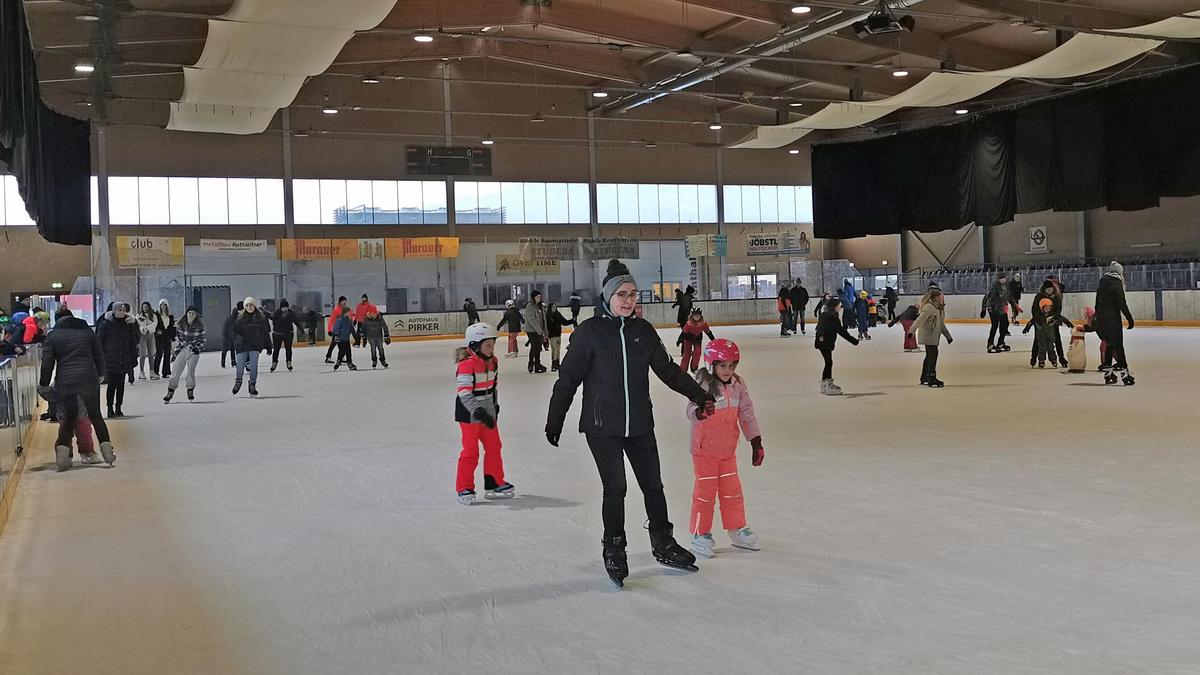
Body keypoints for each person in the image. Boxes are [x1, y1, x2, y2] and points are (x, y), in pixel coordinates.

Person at [545, 259, 716, 589]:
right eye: (621, 294)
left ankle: (663, 543)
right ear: (608, 297)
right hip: (602, 426)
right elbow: (567, 379)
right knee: (617, 488)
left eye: (633, 294)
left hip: (639, 423)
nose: (628, 300)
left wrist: (699, 395)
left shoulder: (643, 332)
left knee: (653, 485)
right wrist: (556, 419)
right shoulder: (589, 334)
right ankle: (615, 548)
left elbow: (668, 370)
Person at [686, 339, 764, 558]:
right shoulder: (703, 385)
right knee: (705, 494)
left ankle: (737, 528)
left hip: (727, 449)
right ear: (712, 365)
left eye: (731, 365)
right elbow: (690, 409)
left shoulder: (738, 385)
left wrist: (755, 441)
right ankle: (700, 533)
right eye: (722, 366)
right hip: (705, 451)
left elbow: (746, 413)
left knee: (732, 492)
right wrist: (700, 412)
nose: (728, 370)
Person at [39, 307, 116, 471]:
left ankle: (62, 457)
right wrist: (101, 373)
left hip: (65, 381)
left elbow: (47, 363)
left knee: (69, 418)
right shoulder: (87, 332)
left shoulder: (53, 336)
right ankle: (108, 452)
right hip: (89, 379)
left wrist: (44, 384)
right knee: (95, 416)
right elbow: (99, 354)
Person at [454, 323, 515, 505]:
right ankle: (464, 487)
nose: (492, 348)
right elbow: (464, 393)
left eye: (492, 344)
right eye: (487, 345)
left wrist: (494, 406)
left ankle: (494, 482)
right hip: (469, 414)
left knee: (494, 446)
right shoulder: (466, 365)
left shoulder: (493, 361)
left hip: (487, 412)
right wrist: (478, 411)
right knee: (471, 451)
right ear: (474, 345)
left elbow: (493, 387)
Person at [1094, 261, 1135, 385]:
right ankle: (1125, 375)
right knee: (1118, 346)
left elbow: (1097, 302)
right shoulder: (1116, 283)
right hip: (1113, 320)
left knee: (1110, 346)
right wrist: (1130, 319)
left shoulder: (1102, 282)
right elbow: (1122, 303)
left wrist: (1098, 319)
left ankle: (1108, 374)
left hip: (1102, 319)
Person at [96, 302, 139, 417]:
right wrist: (100, 358)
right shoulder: (105, 324)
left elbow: (132, 342)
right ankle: (110, 408)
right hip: (110, 358)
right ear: (114, 311)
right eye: (120, 310)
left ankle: (119, 407)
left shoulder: (128, 324)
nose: (122, 312)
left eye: (123, 309)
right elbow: (99, 342)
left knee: (121, 384)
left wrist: (133, 358)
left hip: (124, 358)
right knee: (111, 385)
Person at [814, 296, 860, 395]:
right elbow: (822, 328)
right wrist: (821, 337)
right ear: (835, 307)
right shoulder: (829, 318)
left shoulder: (829, 316)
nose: (841, 307)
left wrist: (852, 340)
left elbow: (840, 331)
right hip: (824, 342)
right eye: (840, 306)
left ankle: (824, 383)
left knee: (828, 362)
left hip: (825, 342)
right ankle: (828, 384)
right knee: (829, 362)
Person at [907, 288, 953, 387]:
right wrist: (912, 331)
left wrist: (948, 336)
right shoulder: (929, 307)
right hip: (928, 335)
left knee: (929, 356)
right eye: (941, 296)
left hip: (933, 336)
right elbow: (920, 320)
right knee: (933, 354)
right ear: (935, 298)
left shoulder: (939, 309)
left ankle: (925, 377)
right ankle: (931, 377)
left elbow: (941, 325)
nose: (943, 298)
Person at [163, 306, 206, 403]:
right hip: (183, 348)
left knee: (191, 370)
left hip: (194, 350)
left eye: (193, 313)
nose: (190, 315)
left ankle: (190, 389)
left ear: (196, 316)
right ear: (186, 314)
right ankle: (170, 391)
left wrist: (198, 348)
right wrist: (175, 354)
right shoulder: (180, 325)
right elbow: (179, 341)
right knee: (176, 370)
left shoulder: (200, 326)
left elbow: (202, 340)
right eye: (189, 313)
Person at [231, 297, 270, 396]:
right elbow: (234, 332)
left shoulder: (260, 318)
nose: (249, 307)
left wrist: (268, 345)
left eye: (251, 305)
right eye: (247, 305)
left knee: (253, 366)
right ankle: (238, 381)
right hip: (242, 346)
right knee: (240, 366)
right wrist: (238, 339)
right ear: (245, 307)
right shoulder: (240, 318)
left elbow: (265, 332)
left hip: (255, 345)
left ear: (254, 306)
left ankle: (252, 384)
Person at [1023, 298, 1073, 368]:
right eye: (1046, 308)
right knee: (1042, 348)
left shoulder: (1053, 315)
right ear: (1041, 308)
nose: (1048, 310)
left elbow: (1061, 318)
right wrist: (1027, 327)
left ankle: (1053, 359)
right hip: (1041, 335)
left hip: (1050, 335)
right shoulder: (1038, 316)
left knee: (1051, 347)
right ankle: (1041, 360)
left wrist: (1068, 323)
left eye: (1049, 308)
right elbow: (1032, 321)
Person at [1028, 281, 1067, 365]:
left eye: (1051, 289)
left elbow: (1058, 309)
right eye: (1048, 289)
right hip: (1040, 321)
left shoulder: (1056, 297)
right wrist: (1038, 320)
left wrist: (1053, 319)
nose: (1049, 290)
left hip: (1052, 321)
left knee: (1056, 338)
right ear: (1044, 290)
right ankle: (1034, 357)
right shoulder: (1039, 297)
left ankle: (1061, 358)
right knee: (1038, 339)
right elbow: (1034, 309)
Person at [677, 307, 715, 374]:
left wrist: (713, 339)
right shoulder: (688, 324)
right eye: (695, 315)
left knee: (697, 353)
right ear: (692, 316)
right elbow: (683, 333)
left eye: (698, 315)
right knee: (687, 354)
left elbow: (708, 331)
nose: (696, 317)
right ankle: (683, 370)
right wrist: (679, 340)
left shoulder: (703, 323)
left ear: (701, 315)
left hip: (697, 339)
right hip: (688, 339)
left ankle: (694, 368)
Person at [981, 273, 1012, 353]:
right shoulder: (995, 287)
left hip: (1001, 309)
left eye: (1004, 278)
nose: (1004, 280)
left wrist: (1015, 306)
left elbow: (1008, 297)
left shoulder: (1005, 286)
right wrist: (983, 309)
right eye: (1002, 278)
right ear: (998, 279)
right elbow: (986, 298)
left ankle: (1000, 343)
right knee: (995, 325)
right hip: (993, 309)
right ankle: (990, 344)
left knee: (1005, 324)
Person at [523, 290, 549, 374]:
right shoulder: (530, 306)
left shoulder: (540, 306)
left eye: (540, 297)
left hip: (539, 330)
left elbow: (543, 319)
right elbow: (532, 320)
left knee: (538, 347)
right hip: (531, 331)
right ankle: (531, 363)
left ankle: (537, 364)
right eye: (537, 297)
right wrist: (539, 331)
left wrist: (545, 331)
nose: (539, 298)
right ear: (533, 298)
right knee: (535, 346)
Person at [270, 299, 300, 372]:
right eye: (283, 308)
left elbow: (296, 321)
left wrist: (301, 329)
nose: (285, 309)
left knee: (288, 348)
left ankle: (289, 363)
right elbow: (273, 318)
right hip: (277, 334)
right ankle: (274, 363)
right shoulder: (277, 313)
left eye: (286, 307)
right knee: (276, 350)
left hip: (288, 333)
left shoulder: (291, 313)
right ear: (280, 308)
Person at [545, 302, 575, 372]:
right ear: (550, 308)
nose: (554, 308)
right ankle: (554, 364)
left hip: (558, 335)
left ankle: (557, 363)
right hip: (552, 336)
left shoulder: (557, 314)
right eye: (553, 307)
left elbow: (564, 322)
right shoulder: (548, 316)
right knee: (554, 350)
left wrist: (572, 321)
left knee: (558, 350)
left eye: (555, 307)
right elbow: (548, 326)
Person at [1065, 306, 1096, 374]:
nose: (1085, 318)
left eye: (1086, 317)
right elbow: (1090, 327)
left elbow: (1091, 328)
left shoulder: (1096, 322)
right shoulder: (1094, 322)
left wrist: (1082, 328)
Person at [135, 301, 160, 380]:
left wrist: (147, 328)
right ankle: (141, 372)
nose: (145, 308)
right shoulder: (139, 315)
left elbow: (155, 324)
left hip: (150, 335)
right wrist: (142, 329)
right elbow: (137, 324)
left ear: (149, 307)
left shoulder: (153, 316)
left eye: (146, 307)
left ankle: (152, 371)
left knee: (151, 354)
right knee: (142, 354)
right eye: (143, 307)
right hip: (142, 336)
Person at [153, 299, 176, 379]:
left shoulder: (170, 316)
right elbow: (154, 325)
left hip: (167, 336)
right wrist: (156, 331)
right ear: (159, 306)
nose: (163, 306)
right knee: (159, 354)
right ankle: (155, 372)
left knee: (167, 354)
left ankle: (166, 372)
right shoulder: (156, 315)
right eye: (162, 305)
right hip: (159, 336)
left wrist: (173, 337)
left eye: (165, 305)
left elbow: (172, 328)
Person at [330, 307, 357, 371]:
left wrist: (355, 335)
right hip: (340, 338)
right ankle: (338, 361)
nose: (349, 313)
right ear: (345, 312)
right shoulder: (340, 319)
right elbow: (336, 328)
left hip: (346, 338)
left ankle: (349, 363)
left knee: (348, 352)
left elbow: (351, 328)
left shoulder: (349, 320)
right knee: (342, 351)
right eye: (348, 312)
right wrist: (336, 335)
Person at [325, 296, 349, 363]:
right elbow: (331, 320)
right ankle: (329, 357)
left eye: (345, 301)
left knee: (340, 345)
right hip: (336, 331)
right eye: (343, 301)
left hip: (343, 331)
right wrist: (330, 330)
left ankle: (340, 357)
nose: (344, 302)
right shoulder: (336, 310)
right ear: (340, 302)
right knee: (335, 344)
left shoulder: (346, 310)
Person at [221, 301, 243, 368]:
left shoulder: (229, 318)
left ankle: (223, 362)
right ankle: (232, 362)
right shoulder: (234, 319)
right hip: (229, 336)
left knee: (226, 349)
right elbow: (232, 329)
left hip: (226, 336)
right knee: (231, 349)